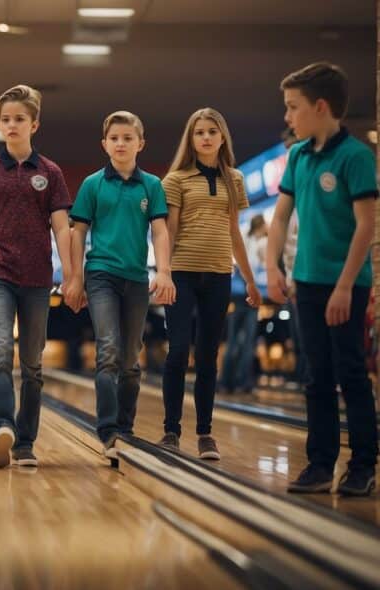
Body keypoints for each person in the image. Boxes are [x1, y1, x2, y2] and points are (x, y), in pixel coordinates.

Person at [267, 62, 377, 496]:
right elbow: (280, 218)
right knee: (316, 375)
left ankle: (363, 464)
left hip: (347, 283)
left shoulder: (355, 157)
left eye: (294, 108)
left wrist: (347, 285)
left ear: (321, 106)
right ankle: (319, 464)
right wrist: (274, 266)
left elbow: (367, 225)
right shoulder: (298, 156)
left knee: (350, 372)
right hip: (307, 282)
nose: (288, 117)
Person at [0, 85, 73, 469]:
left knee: (32, 364)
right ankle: (2, 426)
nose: (12, 125)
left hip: (38, 278)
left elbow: (62, 228)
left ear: (34, 124)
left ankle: (25, 441)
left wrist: (71, 272)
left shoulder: (51, 173)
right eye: (6, 119)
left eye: (19, 119)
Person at [63, 111, 175, 460]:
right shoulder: (92, 184)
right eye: (115, 138)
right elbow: (77, 231)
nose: (121, 143)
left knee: (130, 360)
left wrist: (165, 271)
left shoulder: (152, 185)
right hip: (101, 275)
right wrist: (75, 277)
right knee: (108, 350)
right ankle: (108, 429)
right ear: (104, 144)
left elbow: (159, 229)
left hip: (137, 278)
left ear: (140, 143)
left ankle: (125, 427)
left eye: (128, 138)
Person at [158, 107, 260, 460]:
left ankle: (205, 434)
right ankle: (171, 430)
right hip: (182, 273)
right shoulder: (176, 179)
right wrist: (164, 271)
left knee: (207, 357)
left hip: (219, 274)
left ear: (221, 137)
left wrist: (250, 279)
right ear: (191, 138)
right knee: (177, 351)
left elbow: (235, 232)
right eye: (199, 131)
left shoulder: (234, 179)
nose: (205, 137)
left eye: (211, 131)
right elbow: (168, 231)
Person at [221, 215, 267, 395]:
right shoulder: (256, 242)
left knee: (235, 341)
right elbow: (255, 270)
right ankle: (240, 382)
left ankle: (227, 382)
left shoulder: (247, 240)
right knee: (247, 341)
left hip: (238, 295)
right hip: (249, 296)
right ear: (261, 225)